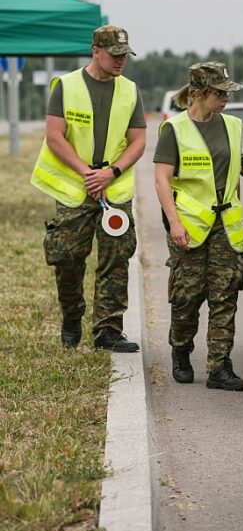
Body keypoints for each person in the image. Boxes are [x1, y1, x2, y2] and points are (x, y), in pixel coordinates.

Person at [31, 25, 146, 352]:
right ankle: (72, 315)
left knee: (116, 256)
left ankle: (108, 330)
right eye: (115, 54)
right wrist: (86, 173)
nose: (121, 61)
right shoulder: (66, 86)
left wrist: (112, 172)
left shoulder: (130, 90)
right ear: (95, 50)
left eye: (125, 55)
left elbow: (138, 141)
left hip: (114, 190)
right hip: (74, 188)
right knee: (66, 257)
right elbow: (54, 136)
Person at [153, 61, 243, 391]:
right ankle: (181, 349)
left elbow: (233, 177)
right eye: (219, 93)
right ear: (198, 93)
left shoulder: (234, 126)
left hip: (225, 225)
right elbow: (162, 179)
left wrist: (236, 211)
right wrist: (174, 223)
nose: (225, 99)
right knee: (187, 297)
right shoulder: (174, 130)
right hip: (189, 227)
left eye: (226, 93)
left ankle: (219, 366)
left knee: (225, 295)